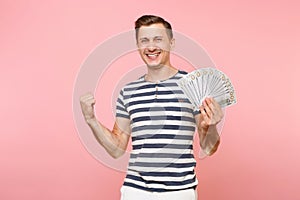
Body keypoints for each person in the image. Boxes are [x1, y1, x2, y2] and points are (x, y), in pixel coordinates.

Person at [80, 15, 223, 200]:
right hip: (135, 191)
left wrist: (211, 126)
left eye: (158, 39)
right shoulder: (128, 91)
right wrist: (91, 120)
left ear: (171, 43)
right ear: (138, 45)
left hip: (179, 192)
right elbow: (116, 149)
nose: (151, 46)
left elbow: (209, 147)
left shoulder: (194, 85)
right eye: (144, 40)